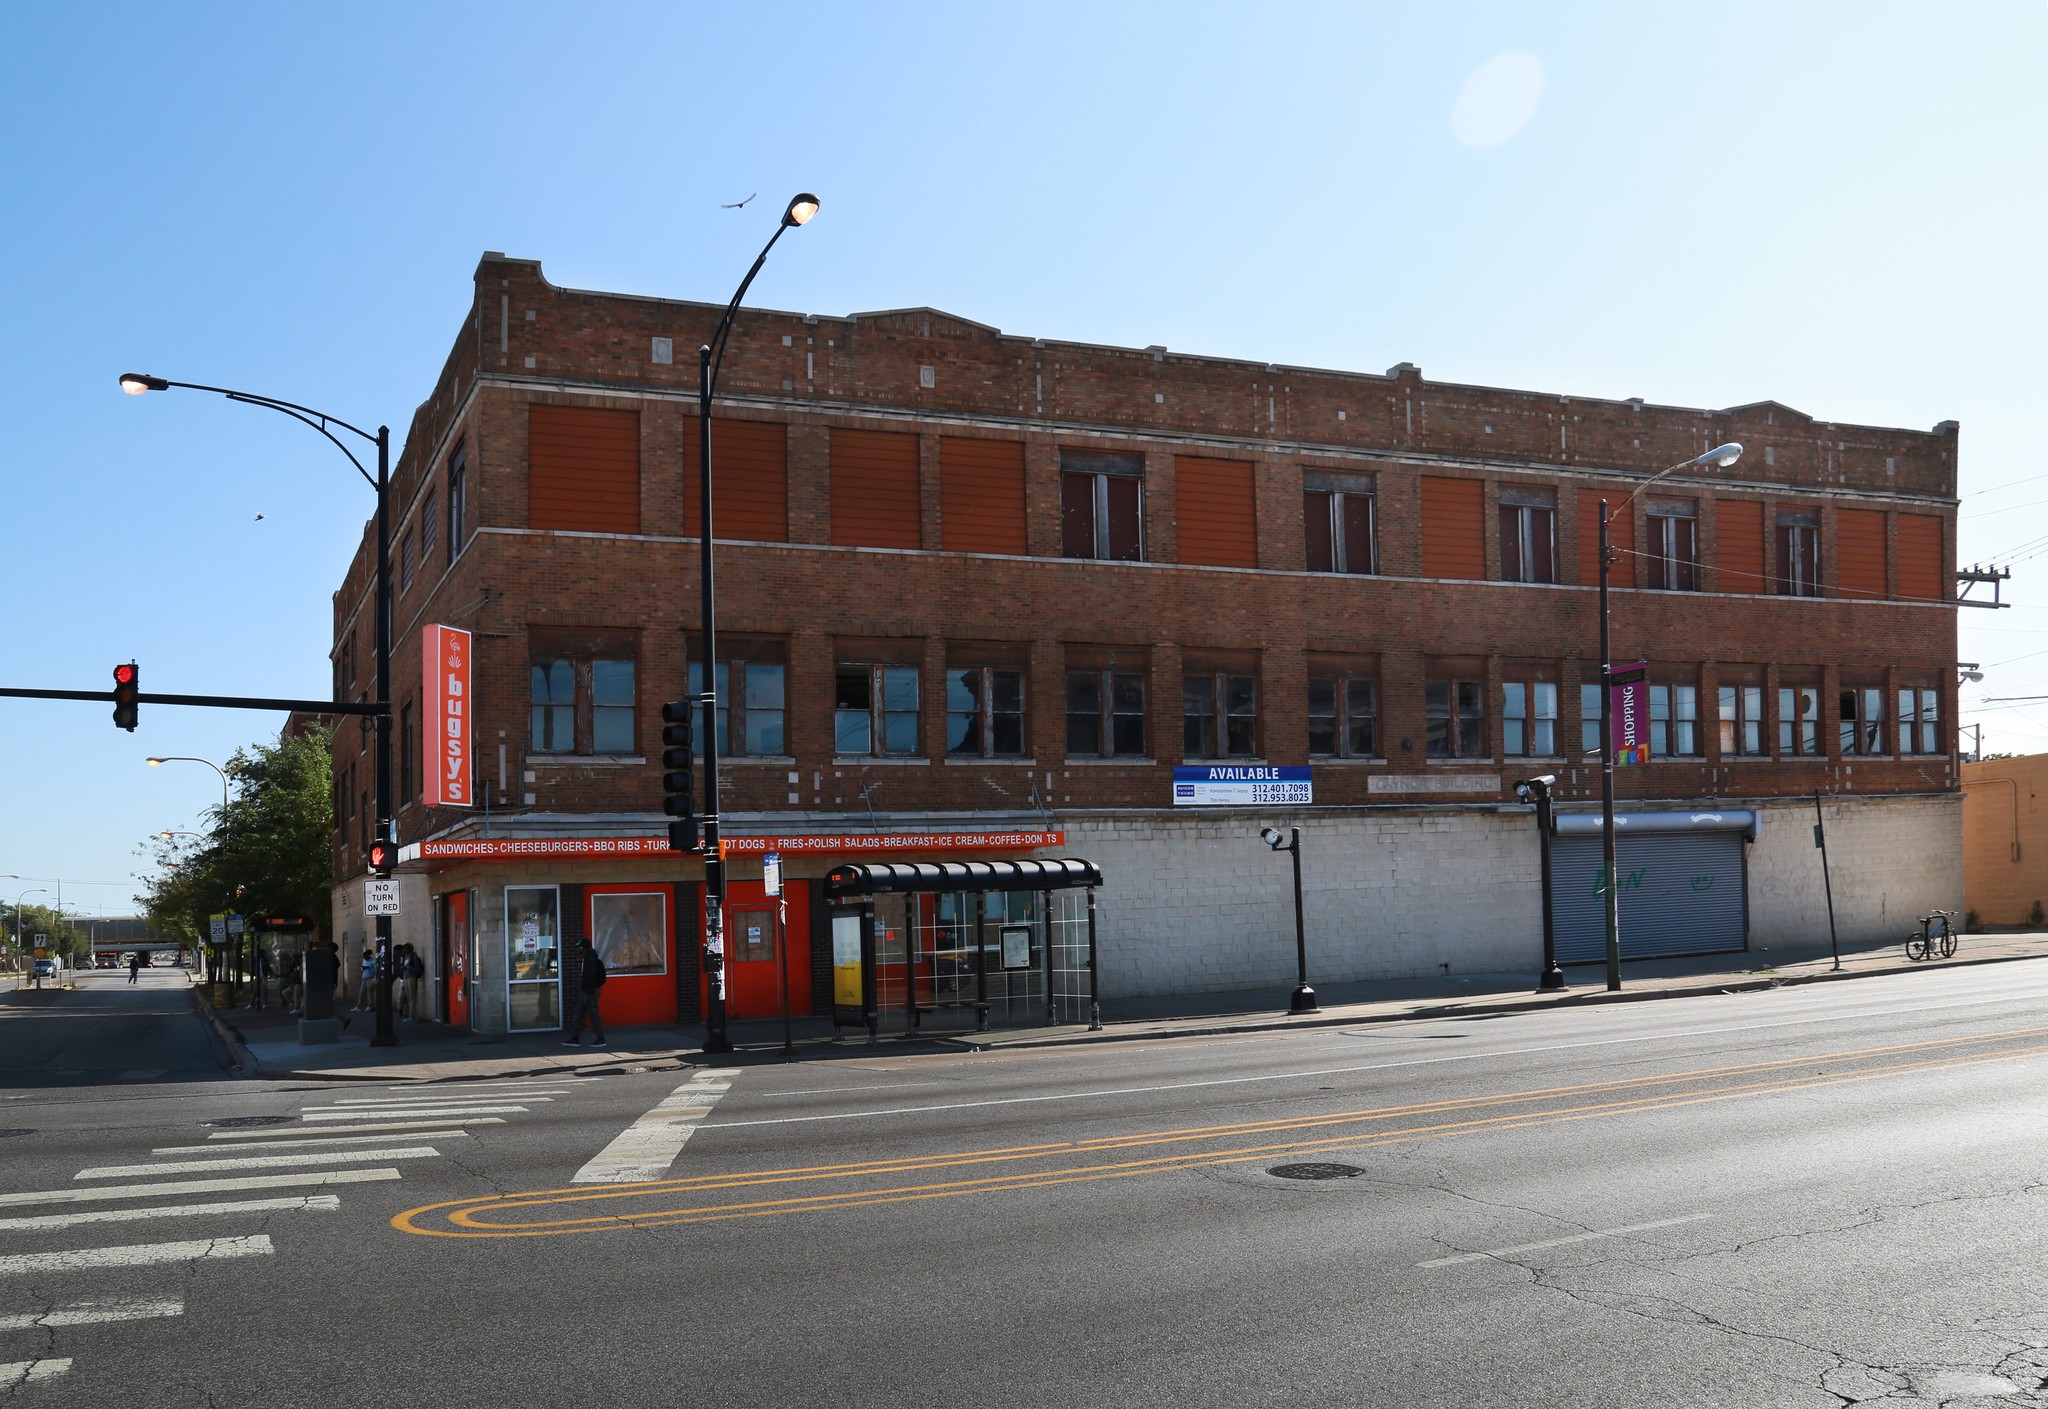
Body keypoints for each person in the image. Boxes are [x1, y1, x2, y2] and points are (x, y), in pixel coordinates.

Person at [562, 937, 607, 1047]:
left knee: (594, 1015)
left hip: (589, 992)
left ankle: (601, 1038)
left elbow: (591, 976)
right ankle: (575, 1038)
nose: (579, 949)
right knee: (578, 1014)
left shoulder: (590, 959)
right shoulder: (587, 958)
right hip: (586, 992)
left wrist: (590, 991)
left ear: (584, 948)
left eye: (580, 947)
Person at [358, 947, 376, 1011]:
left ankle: (370, 1005)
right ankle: (358, 1005)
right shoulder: (364, 961)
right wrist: (363, 968)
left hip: (370, 977)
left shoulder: (373, 961)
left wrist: (369, 969)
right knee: (361, 991)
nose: (364, 958)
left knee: (369, 991)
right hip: (364, 977)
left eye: (365, 956)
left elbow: (375, 969)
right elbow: (362, 968)